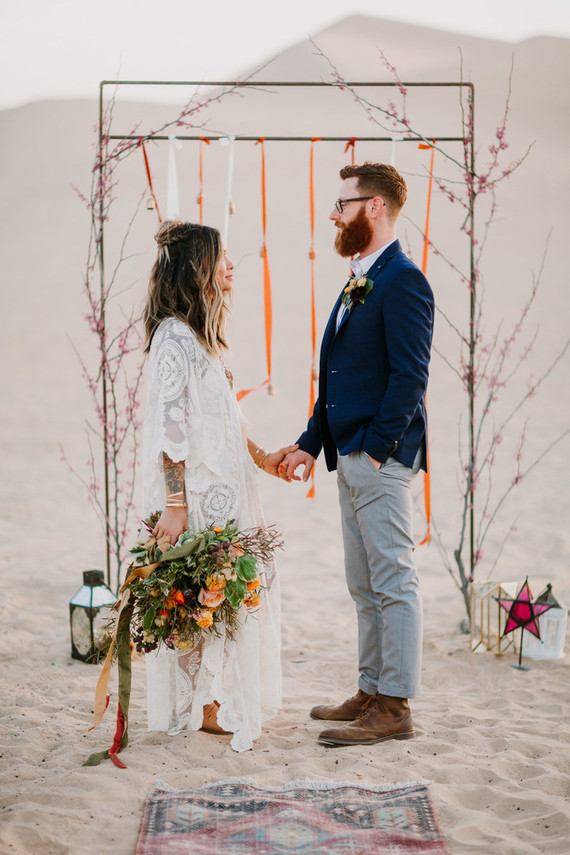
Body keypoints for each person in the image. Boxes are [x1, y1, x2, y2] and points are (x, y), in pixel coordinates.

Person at [281, 162, 434, 746]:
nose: (334, 214)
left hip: (380, 459)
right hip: (348, 454)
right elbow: (340, 376)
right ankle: (372, 689)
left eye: (343, 204)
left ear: (375, 207)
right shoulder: (358, 278)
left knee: (394, 579)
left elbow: (409, 378)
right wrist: (308, 443)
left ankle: (394, 706)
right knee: (363, 582)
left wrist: (374, 451)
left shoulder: (403, 280)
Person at [141, 220, 296, 752]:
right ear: (197, 269)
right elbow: (171, 430)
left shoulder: (202, 340)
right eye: (222, 257)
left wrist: (266, 459)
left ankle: (214, 703)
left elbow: (229, 423)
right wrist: (176, 506)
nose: (231, 266)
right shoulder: (173, 340)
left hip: (228, 491)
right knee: (204, 594)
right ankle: (203, 709)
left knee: (223, 594)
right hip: (199, 497)